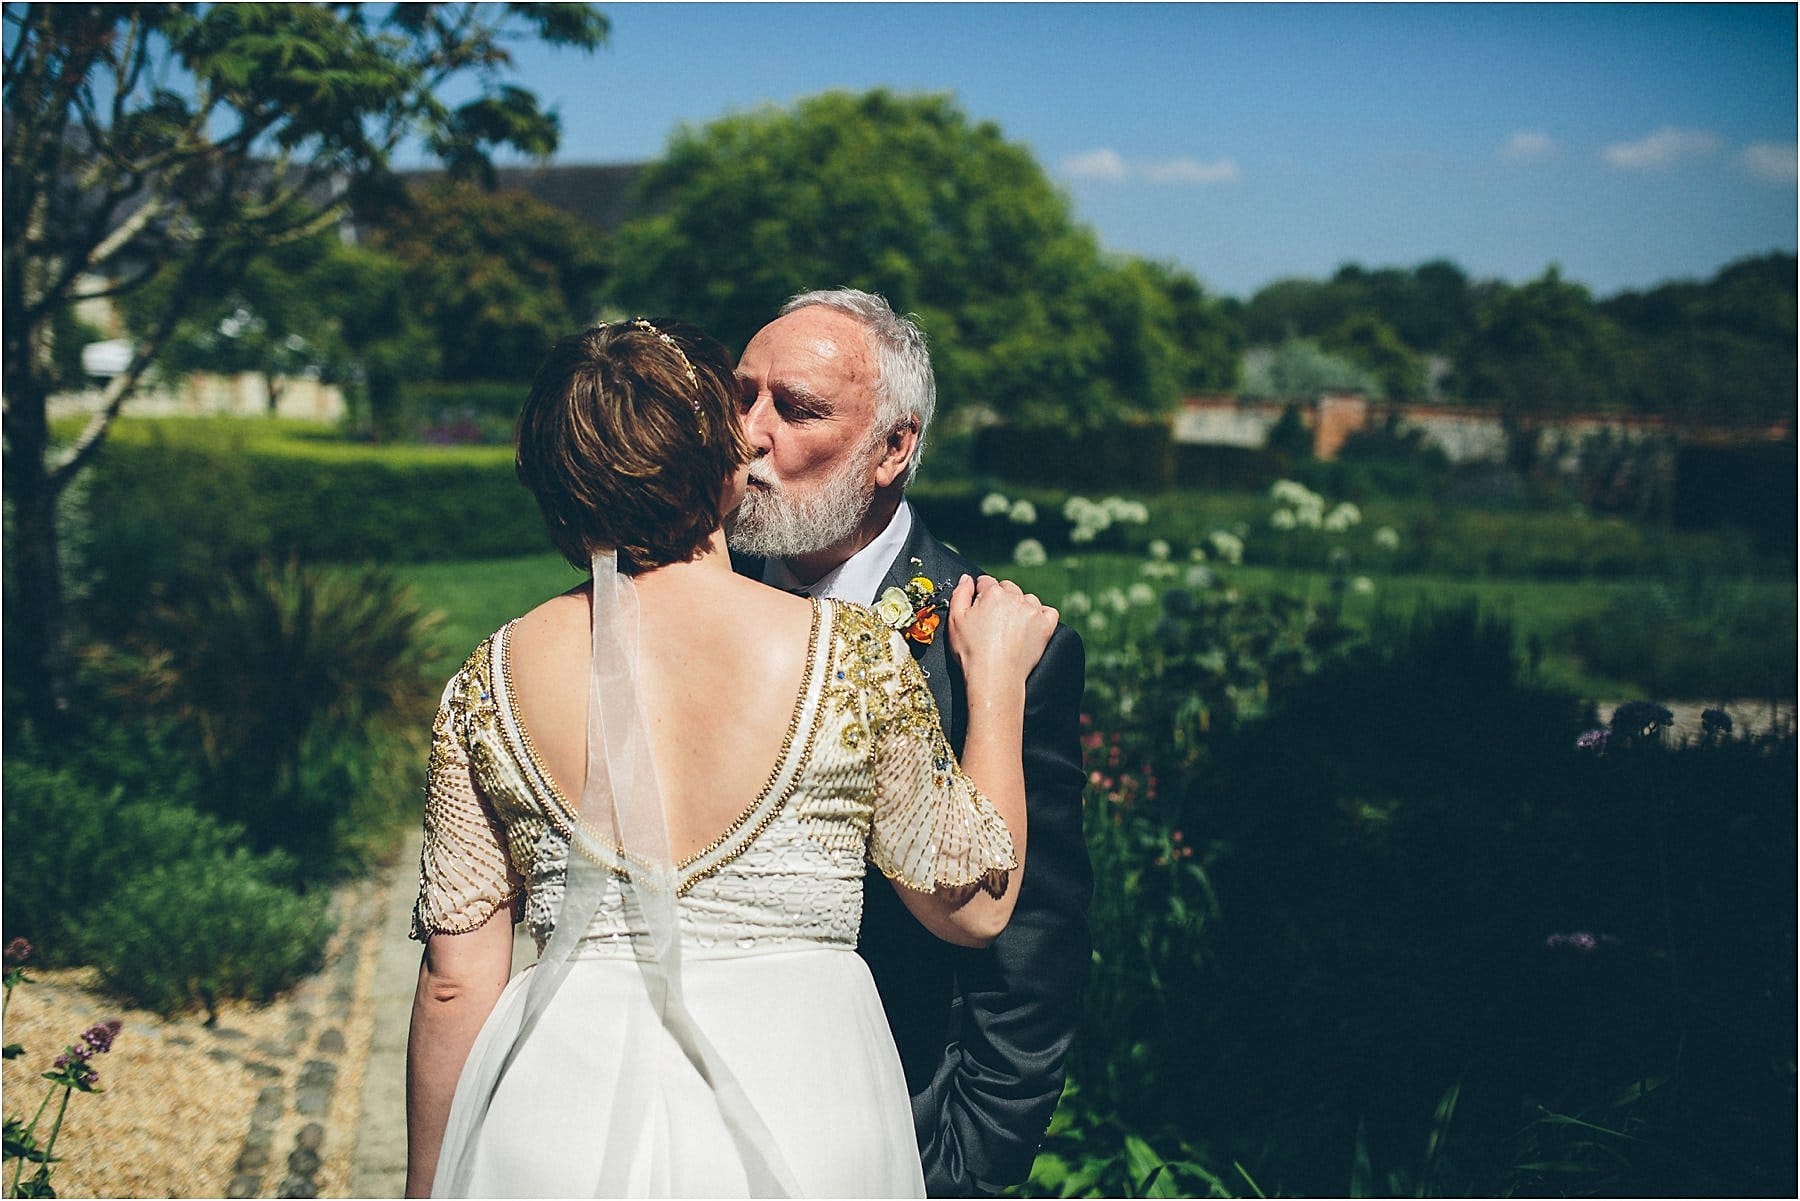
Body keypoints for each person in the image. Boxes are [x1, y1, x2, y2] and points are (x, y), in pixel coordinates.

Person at [405, 318, 1059, 1198]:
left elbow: (455, 983)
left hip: (555, 1116)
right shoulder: (850, 656)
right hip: (806, 1111)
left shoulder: (486, 682)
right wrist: (1001, 689)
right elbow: (973, 910)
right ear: (722, 468)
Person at [727, 289, 1091, 1196]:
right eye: (741, 397)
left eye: (797, 408)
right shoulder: (690, 593)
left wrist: (968, 1165)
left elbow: (1030, 954)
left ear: (894, 448)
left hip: (889, 1128)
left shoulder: (994, 649)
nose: (748, 434)